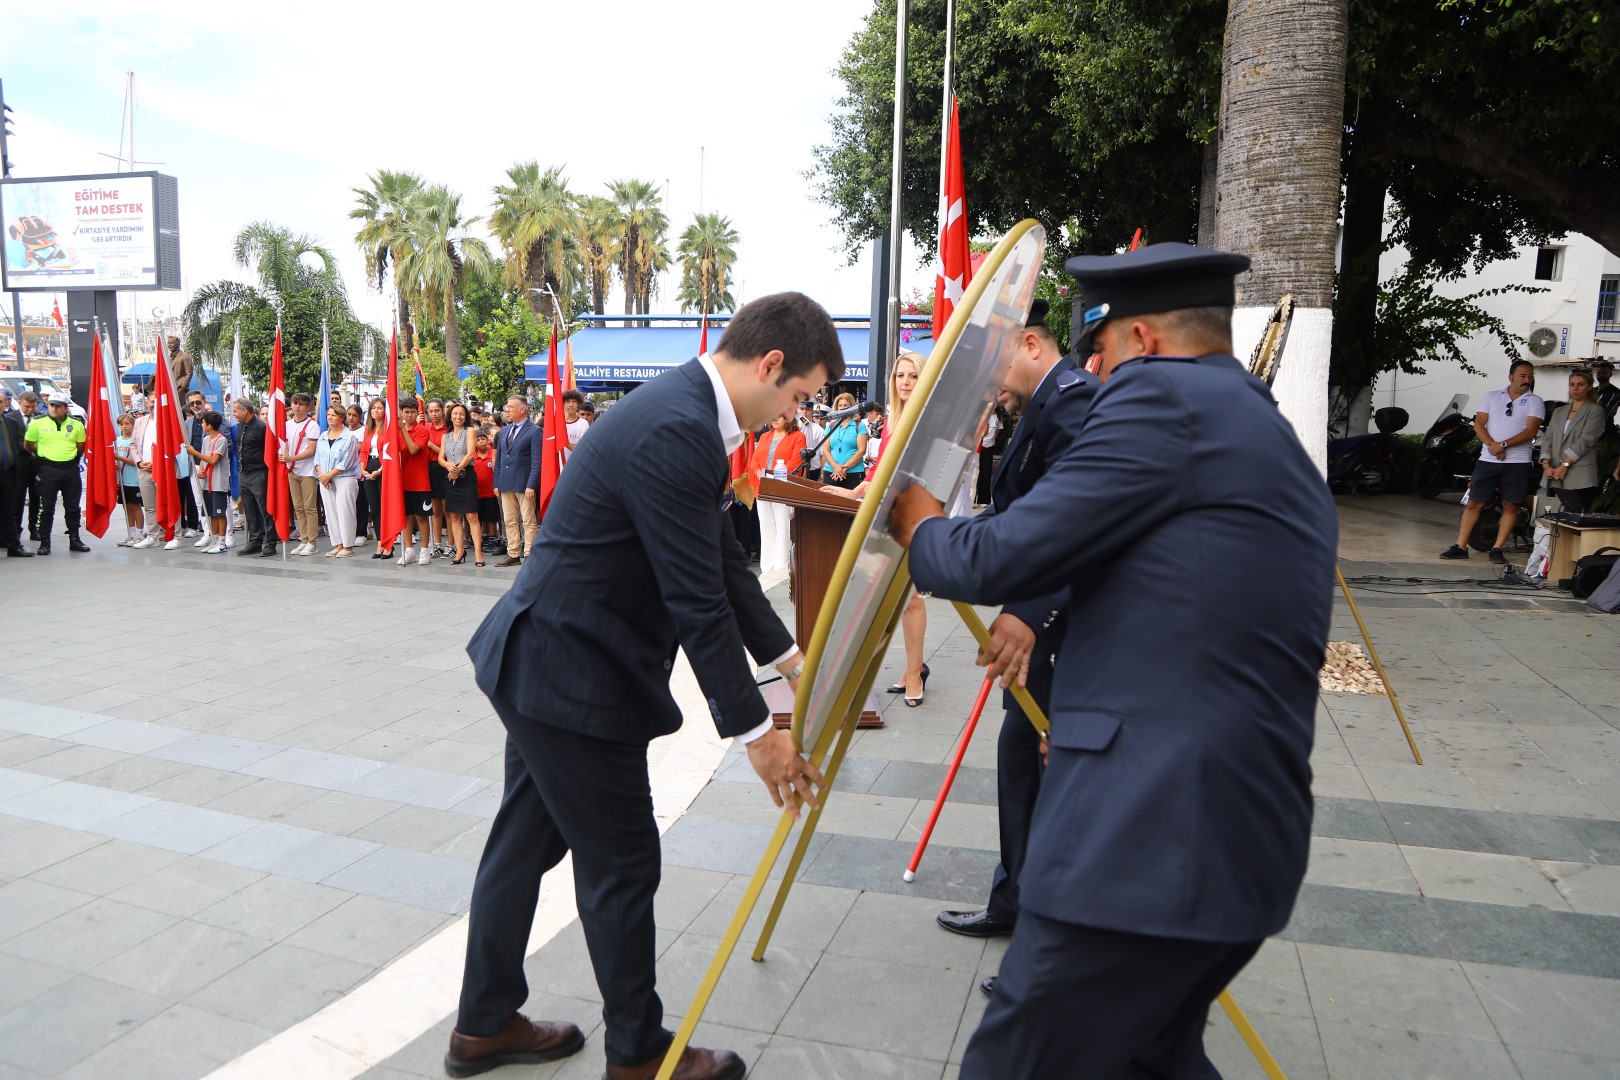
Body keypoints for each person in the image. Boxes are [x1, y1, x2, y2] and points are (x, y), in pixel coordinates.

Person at [889, 243, 1336, 1080]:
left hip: (1149, 840)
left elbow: (1009, 554)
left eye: (1107, 355)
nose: (1100, 374)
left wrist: (921, 525)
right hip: (1224, 834)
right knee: (1149, 1060)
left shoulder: (1165, 401)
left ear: (1146, 339)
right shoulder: (1248, 413)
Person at [451, 293, 840, 1080]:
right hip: (572, 679)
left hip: (544, 661)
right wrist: (758, 734)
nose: (789, 414)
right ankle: (638, 1055)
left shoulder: (684, 412)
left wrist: (791, 660)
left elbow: (720, 564)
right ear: (771, 366)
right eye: (798, 397)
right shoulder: (678, 428)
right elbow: (693, 599)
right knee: (623, 863)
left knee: (523, 845)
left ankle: (484, 1024)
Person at [932, 298, 1097, 985]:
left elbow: (1078, 521)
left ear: (1031, 344)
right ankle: (1015, 902)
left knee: (1053, 780)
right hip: (1044, 629)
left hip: (1066, 630)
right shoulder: (1042, 406)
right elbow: (1022, 515)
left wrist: (1030, 612)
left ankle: (1049, 948)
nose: (990, 382)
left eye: (996, 362)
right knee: (1019, 768)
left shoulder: (1073, 402)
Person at [844, 353, 929, 705]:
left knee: (909, 599)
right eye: (899, 376)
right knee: (892, 601)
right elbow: (881, 468)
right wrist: (857, 489)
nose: (905, 382)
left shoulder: (927, 418)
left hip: (912, 516)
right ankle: (915, 667)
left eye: (912, 376)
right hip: (885, 515)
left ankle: (914, 674)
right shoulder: (893, 419)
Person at [1441, 359, 1544, 564]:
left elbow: (1531, 431)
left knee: (1511, 505)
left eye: (1530, 376)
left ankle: (1497, 549)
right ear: (1511, 377)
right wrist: (1493, 445)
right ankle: (1460, 546)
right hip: (1488, 459)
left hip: (1517, 462)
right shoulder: (1492, 396)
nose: (1527, 380)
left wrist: (1503, 445)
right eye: (1523, 375)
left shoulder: (1535, 401)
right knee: (1474, 502)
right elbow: (1479, 424)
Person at [22, 393, 90, 554]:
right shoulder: (37, 423)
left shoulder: (76, 424)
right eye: (52, 405)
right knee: (46, 508)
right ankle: (45, 542)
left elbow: (81, 446)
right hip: (48, 470)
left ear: (66, 408)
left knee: (73, 507)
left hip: (70, 470)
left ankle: (75, 539)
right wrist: (44, 454)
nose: (54, 408)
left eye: (58, 405)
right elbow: (28, 445)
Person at [1539, 368, 1605, 512]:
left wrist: (1565, 465)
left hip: (1578, 472)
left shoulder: (1595, 410)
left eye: (1580, 384)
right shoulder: (1559, 411)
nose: (1575, 388)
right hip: (1553, 471)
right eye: (1572, 384)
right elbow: (1548, 438)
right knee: (1555, 518)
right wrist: (1546, 464)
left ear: (1589, 387)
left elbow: (1586, 440)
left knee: (1577, 515)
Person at [749, 413, 806, 574]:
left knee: (783, 527)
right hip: (763, 487)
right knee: (766, 527)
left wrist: (773, 477)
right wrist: (761, 475)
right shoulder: (766, 436)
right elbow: (755, 461)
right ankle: (767, 567)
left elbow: (795, 462)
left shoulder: (797, 436)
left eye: (778, 417)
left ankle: (781, 567)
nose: (774, 420)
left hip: (782, 488)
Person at [493, 395, 541, 567]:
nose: (507, 411)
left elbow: (537, 461)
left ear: (523, 409)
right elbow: (499, 459)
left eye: (511, 407)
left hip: (524, 483)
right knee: (510, 520)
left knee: (528, 520)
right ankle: (512, 553)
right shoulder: (504, 431)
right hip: (505, 483)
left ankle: (529, 553)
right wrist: (496, 482)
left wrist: (531, 485)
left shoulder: (535, 431)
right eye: (506, 408)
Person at [181, 410, 231, 553]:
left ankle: (222, 541)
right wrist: (201, 470)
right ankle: (214, 540)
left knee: (219, 513)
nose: (201, 425)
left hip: (217, 482)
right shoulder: (205, 440)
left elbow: (213, 460)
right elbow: (204, 459)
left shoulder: (221, 440)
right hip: (206, 482)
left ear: (209, 425)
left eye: (203, 423)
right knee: (211, 513)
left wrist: (194, 452)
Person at [315, 405, 361, 557]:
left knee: (345, 512)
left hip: (344, 478)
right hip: (325, 479)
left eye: (333, 415)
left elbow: (345, 463)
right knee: (331, 512)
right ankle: (338, 544)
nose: (329, 417)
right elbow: (317, 459)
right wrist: (322, 475)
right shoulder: (323, 436)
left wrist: (328, 476)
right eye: (328, 415)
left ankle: (348, 546)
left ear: (341, 418)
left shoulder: (349, 437)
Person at [440, 402, 482, 565]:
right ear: (450, 416)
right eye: (455, 413)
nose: (458, 416)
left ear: (466, 417)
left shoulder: (470, 431)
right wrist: (448, 466)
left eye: (462, 414)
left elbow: (470, 454)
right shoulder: (445, 435)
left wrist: (457, 469)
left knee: (472, 515)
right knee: (454, 516)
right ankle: (459, 551)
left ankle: (478, 553)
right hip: (450, 477)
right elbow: (440, 457)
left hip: (466, 476)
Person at [233, 398, 274, 557]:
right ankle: (255, 541)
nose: (234, 414)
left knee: (265, 510)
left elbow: (269, 451)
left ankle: (270, 543)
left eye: (236, 411)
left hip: (259, 473)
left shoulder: (261, 428)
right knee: (250, 511)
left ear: (245, 411)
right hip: (244, 473)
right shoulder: (239, 428)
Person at [282, 393, 321, 556]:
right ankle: (303, 539)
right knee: (298, 506)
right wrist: (286, 458)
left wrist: (291, 458)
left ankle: (312, 541)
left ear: (308, 407)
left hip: (307, 471)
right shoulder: (287, 424)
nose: (297, 407)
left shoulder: (312, 425)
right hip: (292, 470)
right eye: (295, 403)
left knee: (309, 506)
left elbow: (311, 450)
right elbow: (285, 444)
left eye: (302, 404)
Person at [398, 399, 434, 566]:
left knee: (421, 517)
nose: (410, 415)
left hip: (420, 481)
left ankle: (425, 550)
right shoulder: (397, 431)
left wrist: (402, 430)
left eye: (412, 412)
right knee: (405, 517)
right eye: (406, 412)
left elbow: (413, 450)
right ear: (401, 413)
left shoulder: (423, 430)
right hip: (402, 481)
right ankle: (409, 550)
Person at [0, 390, 30, 557]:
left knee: (9, 510)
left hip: (8, 473)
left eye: (1, 401)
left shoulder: (10, 422)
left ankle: (13, 546)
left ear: (6, 404)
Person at [360, 399, 390, 559]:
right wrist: (362, 469)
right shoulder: (368, 429)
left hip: (383, 466)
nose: (376, 411)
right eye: (374, 408)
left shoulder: (389, 429)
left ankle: (388, 544)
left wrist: (380, 470)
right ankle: (380, 542)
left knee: (385, 507)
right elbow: (364, 450)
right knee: (375, 507)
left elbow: (390, 452)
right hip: (369, 466)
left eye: (379, 408)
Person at [822, 392, 868, 489]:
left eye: (846, 405)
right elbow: (825, 449)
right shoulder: (830, 426)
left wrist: (843, 468)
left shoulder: (859, 425)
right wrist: (835, 467)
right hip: (831, 472)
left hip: (853, 473)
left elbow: (861, 451)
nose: (842, 407)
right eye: (840, 405)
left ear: (852, 407)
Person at [183, 392, 212, 545]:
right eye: (192, 403)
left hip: (212, 465)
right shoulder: (187, 423)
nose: (195, 406)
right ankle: (207, 533)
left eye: (198, 402)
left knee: (218, 501)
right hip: (194, 467)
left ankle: (225, 534)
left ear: (204, 401)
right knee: (199, 501)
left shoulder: (214, 419)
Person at [424, 398, 451, 557]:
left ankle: (451, 544)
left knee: (448, 509)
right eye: (431, 411)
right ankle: (437, 542)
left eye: (437, 410)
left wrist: (431, 445)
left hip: (446, 467)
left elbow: (448, 451)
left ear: (442, 411)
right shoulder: (425, 428)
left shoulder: (449, 429)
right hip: (430, 468)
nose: (434, 414)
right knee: (435, 509)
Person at [16, 390, 42, 542]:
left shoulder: (40, 419)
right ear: (20, 403)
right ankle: (16, 530)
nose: (30, 410)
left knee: (36, 499)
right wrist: (27, 446)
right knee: (18, 500)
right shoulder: (11, 418)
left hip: (36, 465)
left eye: (33, 406)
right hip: (20, 465)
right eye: (27, 407)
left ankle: (34, 529)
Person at [345, 404, 370, 545]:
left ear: (359, 416)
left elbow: (360, 448)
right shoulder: (344, 431)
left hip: (359, 473)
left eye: (354, 415)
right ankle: (350, 532)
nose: (351, 418)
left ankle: (361, 532)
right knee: (348, 505)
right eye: (349, 414)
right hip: (345, 474)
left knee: (361, 504)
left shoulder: (363, 431)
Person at [473, 429, 500, 554]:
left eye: (483, 439)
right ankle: (484, 536)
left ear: (487, 440)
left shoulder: (492, 455)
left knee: (492, 517)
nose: (481, 442)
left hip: (490, 493)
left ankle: (493, 537)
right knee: (480, 517)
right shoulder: (472, 456)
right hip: (477, 493)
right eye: (477, 440)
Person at [796, 400, 825, 481]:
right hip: (794, 467)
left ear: (812, 411)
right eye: (802, 409)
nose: (804, 412)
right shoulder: (794, 421)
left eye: (808, 409)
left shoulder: (816, 428)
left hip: (811, 470)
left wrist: (821, 476)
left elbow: (823, 454)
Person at [166, 335, 193, 413]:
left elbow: (189, 373)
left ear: (177, 344)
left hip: (179, 388)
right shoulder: (168, 358)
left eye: (171, 343)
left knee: (180, 410)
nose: (169, 345)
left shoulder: (184, 356)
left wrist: (183, 387)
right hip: (170, 387)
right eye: (168, 343)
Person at [561, 390, 589, 457]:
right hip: (557, 466)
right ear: (563, 403)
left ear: (578, 404)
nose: (571, 405)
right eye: (568, 401)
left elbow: (582, 450)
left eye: (574, 401)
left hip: (574, 466)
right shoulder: (557, 423)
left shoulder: (583, 424)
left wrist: (564, 442)